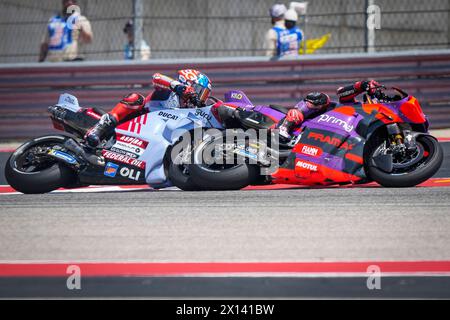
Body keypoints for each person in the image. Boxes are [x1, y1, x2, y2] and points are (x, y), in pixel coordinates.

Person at [85, 69, 212, 147]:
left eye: (204, 94)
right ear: (188, 83)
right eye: (200, 91)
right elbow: (156, 77)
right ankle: (98, 130)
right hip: (136, 122)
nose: (201, 97)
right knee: (135, 98)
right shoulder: (169, 92)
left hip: (153, 139)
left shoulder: (189, 111)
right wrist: (178, 87)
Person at [277, 80, 381, 140]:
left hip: (339, 138)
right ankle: (284, 127)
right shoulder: (359, 106)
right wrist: (362, 85)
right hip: (323, 118)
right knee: (320, 98)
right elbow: (341, 93)